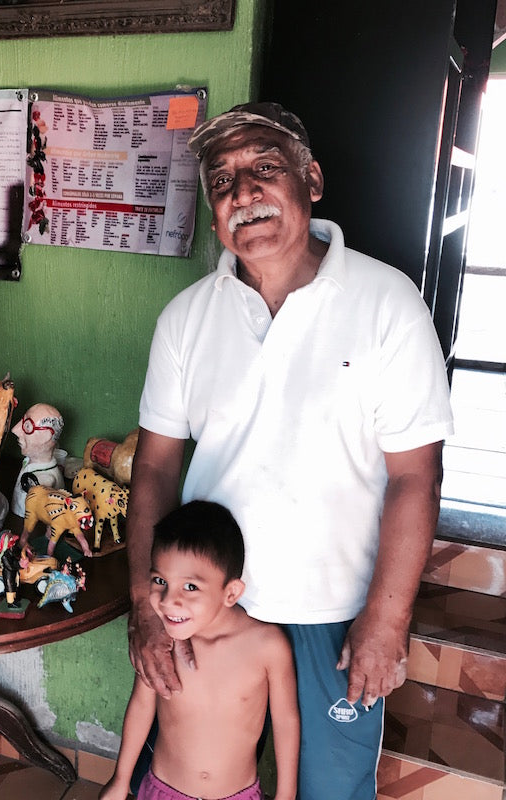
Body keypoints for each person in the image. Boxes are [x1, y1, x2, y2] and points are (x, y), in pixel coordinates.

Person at [127, 102, 454, 799]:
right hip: (205, 609)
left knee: (330, 789)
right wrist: (145, 605)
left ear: (312, 180)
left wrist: (386, 621)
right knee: (195, 779)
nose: (242, 193)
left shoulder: (387, 303)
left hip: (335, 613)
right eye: (222, 181)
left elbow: (415, 478)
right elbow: (154, 465)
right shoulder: (187, 318)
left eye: (264, 170)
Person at [101, 501, 298, 800]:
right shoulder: (163, 643)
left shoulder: (267, 648)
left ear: (230, 592)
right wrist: (120, 780)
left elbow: (286, 722)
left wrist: (286, 796)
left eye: (190, 587)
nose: (169, 600)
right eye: (160, 581)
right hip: (162, 791)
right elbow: (142, 706)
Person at [10, 402, 65, 517]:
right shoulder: (30, 462)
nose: (15, 429)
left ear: (46, 437)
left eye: (27, 426)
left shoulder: (45, 479)